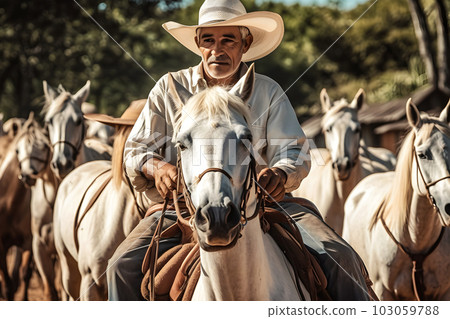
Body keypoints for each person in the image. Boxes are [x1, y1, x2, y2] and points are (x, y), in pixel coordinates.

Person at [107, 0, 373, 301]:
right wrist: (158, 168)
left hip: (269, 202)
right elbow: (137, 150)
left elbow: (295, 152)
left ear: (245, 44)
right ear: (198, 43)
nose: (217, 50)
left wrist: (280, 173)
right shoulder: (169, 88)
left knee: (339, 256)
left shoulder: (268, 91)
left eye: (228, 40)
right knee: (120, 265)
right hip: (181, 207)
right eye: (208, 40)